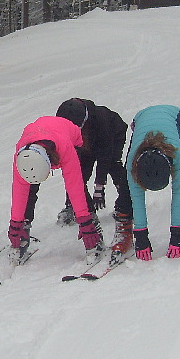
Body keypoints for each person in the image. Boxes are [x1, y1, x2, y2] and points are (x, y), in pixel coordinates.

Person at [10, 115, 101, 264]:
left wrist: (84, 221)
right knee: (29, 191)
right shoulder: (22, 157)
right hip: (39, 135)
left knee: (78, 186)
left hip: (70, 136)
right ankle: (22, 232)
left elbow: (74, 186)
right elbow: (19, 190)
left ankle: (92, 228)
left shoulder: (65, 147)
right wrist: (15, 224)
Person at [54, 98, 135, 264]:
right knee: (79, 173)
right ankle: (71, 206)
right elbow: (73, 173)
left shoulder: (101, 120)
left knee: (113, 165)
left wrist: (99, 187)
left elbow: (105, 156)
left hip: (113, 135)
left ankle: (127, 201)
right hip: (86, 142)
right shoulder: (67, 119)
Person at [125, 105, 180, 260]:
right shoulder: (133, 162)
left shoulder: (178, 154)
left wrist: (177, 235)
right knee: (127, 187)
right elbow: (136, 197)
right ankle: (124, 224)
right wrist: (140, 235)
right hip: (141, 120)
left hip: (175, 116)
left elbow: (179, 193)